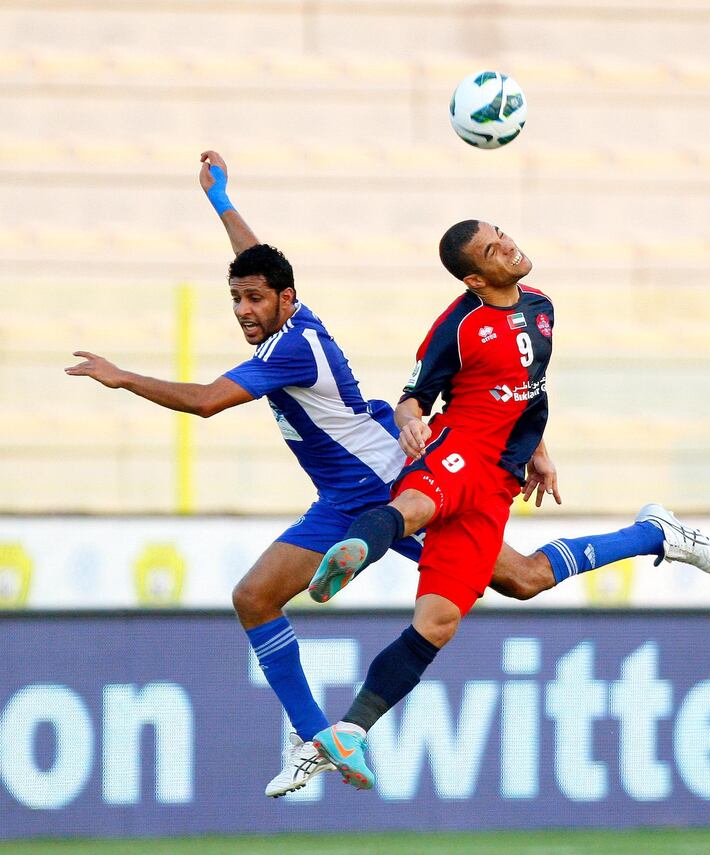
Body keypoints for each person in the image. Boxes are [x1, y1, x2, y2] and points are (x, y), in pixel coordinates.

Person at [61, 151, 594, 798]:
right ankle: (316, 736)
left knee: (523, 577)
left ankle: (652, 536)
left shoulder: (290, 349)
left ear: (283, 299)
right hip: (340, 497)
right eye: (236, 298)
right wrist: (221, 201)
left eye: (254, 298)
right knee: (253, 597)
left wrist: (123, 378)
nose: (243, 309)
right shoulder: (288, 314)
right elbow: (259, 262)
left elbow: (206, 401)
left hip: (388, 482)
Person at [309, 218, 710, 791]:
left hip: (499, 480)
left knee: (463, 609)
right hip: (457, 450)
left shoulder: (543, 307)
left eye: (499, 231)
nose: (507, 242)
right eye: (490, 248)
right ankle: (356, 550)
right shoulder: (458, 325)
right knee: (414, 506)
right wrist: (410, 427)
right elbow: (411, 399)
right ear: (476, 277)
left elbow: (530, 387)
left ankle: (655, 534)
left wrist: (540, 451)